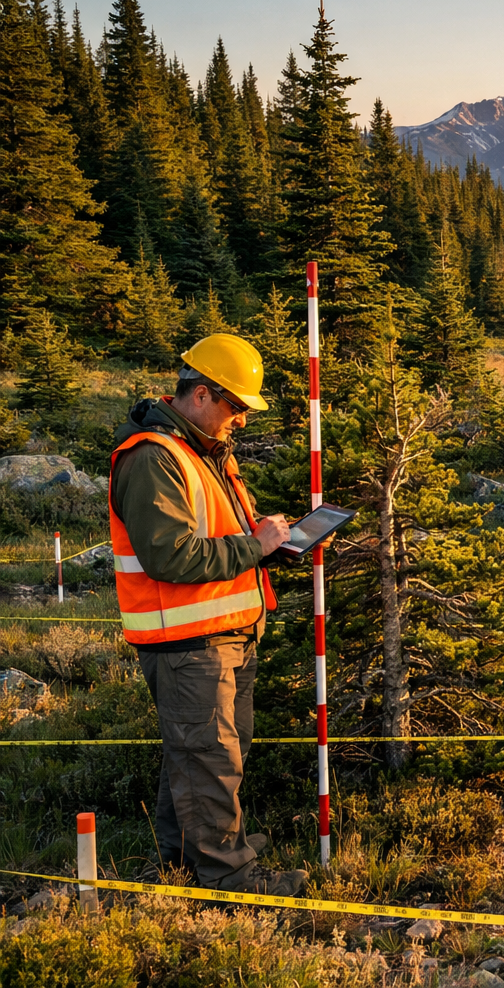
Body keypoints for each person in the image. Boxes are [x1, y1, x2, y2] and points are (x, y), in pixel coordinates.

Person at [109, 333, 307, 896]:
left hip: (221, 634)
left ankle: (185, 861)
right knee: (207, 759)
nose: (241, 420)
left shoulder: (200, 451)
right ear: (201, 394)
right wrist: (257, 547)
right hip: (188, 641)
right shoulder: (155, 457)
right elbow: (170, 556)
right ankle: (230, 880)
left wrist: (266, 541)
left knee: (207, 755)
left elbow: (213, 534)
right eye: (236, 406)